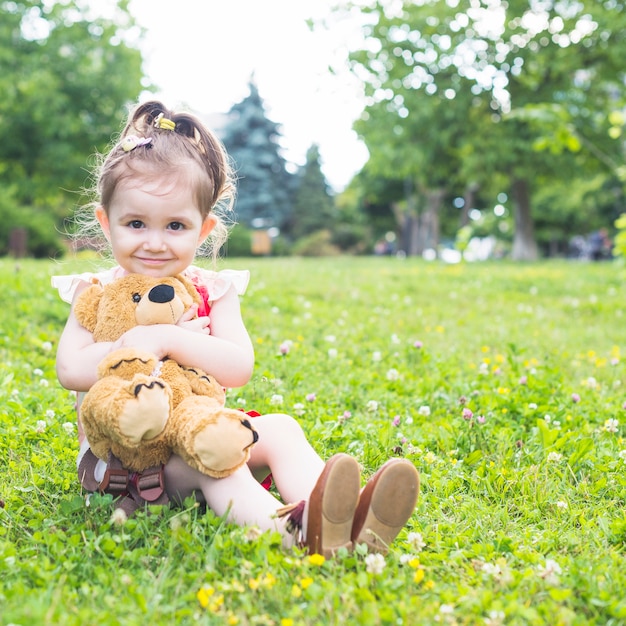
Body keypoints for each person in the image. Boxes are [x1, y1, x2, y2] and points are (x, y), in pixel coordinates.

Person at [53, 100, 419, 556]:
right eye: (135, 223)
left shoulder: (212, 289)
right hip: (126, 467)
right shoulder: (93, 291)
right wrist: (136, 347)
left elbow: (238, 366)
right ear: (106, 223)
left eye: (175, 225)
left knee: (280, 429)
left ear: (203, 230)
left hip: (199, 430)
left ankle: (330, 516)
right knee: (220, 464)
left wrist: (172, 338)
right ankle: (295, 536)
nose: (154, 241)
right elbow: (70, 369)